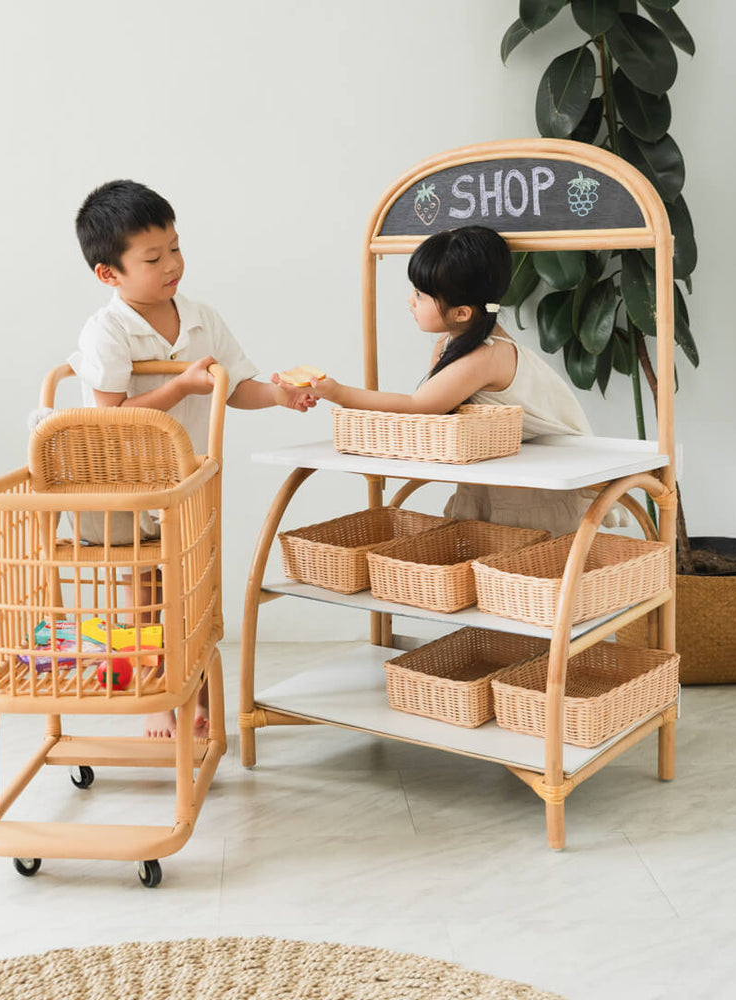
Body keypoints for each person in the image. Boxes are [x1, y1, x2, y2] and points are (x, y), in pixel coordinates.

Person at [69, 179, 317, 739]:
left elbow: (236, 386)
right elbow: (110, 417)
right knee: (142, 598)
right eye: (153, 258)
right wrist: (180, 387)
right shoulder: (106, 330)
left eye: (176, 248)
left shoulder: (201, 316)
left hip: (186, 484)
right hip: (126, 488)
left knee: (190, 594)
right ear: (109, 274)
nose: (173, 264)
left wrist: (281, 394)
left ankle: (196, 691)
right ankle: (157, 693)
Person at [297, 225, 629, 536]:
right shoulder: (455, 345)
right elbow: (432, 404)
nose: (410, 302)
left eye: (421, 295)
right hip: (511, 462)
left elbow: (419, 407)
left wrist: (335, 391)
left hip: (552, 468)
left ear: (462, 313)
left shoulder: (487, 355)